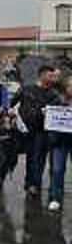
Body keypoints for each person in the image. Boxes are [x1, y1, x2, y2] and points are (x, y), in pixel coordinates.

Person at [10, 64, 60, 197]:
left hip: (42, 130)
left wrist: (48, 112)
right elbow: (13, 101)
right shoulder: (27, 88)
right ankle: (28, 182)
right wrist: (10, 111)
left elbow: (58, 110)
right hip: (24, 129)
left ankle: (34, 184)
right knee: (29, 157)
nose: (53, 78)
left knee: (38, 158)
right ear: (42, 75)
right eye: (50, 75)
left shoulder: (53, 93)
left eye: (53, 76)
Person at [47, 76, 72, 212]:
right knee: (57, 170)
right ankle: (55, 198)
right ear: (66, 88)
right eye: (70, 86)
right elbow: (51, 118)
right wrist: (47, 114)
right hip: (59, 142)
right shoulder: (58, 100)